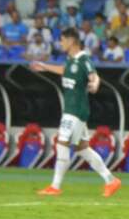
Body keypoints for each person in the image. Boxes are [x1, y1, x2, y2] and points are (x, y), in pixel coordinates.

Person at [30, 28, 122, 197]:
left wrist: (95, 84)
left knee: (62, 142)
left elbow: (94, 75)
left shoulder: (83, 59)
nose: (61, 43)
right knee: (82, 149)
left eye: (63, 40)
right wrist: (44, 67)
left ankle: (55, 186)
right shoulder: (71, 60)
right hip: (73, 109)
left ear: (72, 41)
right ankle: (111, 180)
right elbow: (65, 70)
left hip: (75, 110)